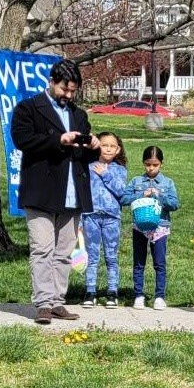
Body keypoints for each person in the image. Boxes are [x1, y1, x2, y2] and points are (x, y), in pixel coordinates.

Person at [11, 59, 100, 325]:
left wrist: (93, 145)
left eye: (73, 91)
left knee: (63, 253)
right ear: (51, 81)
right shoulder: (29, 108)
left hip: (72, 192)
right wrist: (58, 140)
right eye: (64, 89)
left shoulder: (79, 115)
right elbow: (22, 139)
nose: (68, 96)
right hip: (41, 192)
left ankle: (58, 302)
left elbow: (85, 154)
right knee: (42, 250)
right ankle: (42, 304)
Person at [122, 146, 180, 310]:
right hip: (140, 226)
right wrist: (142, 194)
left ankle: (159, 296)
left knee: (159, 263)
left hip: (160, 227)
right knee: (139, 262)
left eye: (155, 165)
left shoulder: (167, 183)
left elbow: (175, 204)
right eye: (148, 164)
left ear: (161, 164)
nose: (151, 168)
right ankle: (138, 295)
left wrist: (159, 195)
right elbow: (124, 198)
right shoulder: (136, 181)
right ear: (143, 163)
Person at [82, 132, 127, 309]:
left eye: (112, 146)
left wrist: (106, 174)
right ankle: (90, 291)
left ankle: (112, 292)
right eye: (104, 145)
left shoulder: (120, 170)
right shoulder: (89, 166)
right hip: (90, 216)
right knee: (92, 255)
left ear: (118, 150)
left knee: (111, 256)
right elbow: (83, 193)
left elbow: (121, 192)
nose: (108, 148)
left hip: (111, 218)